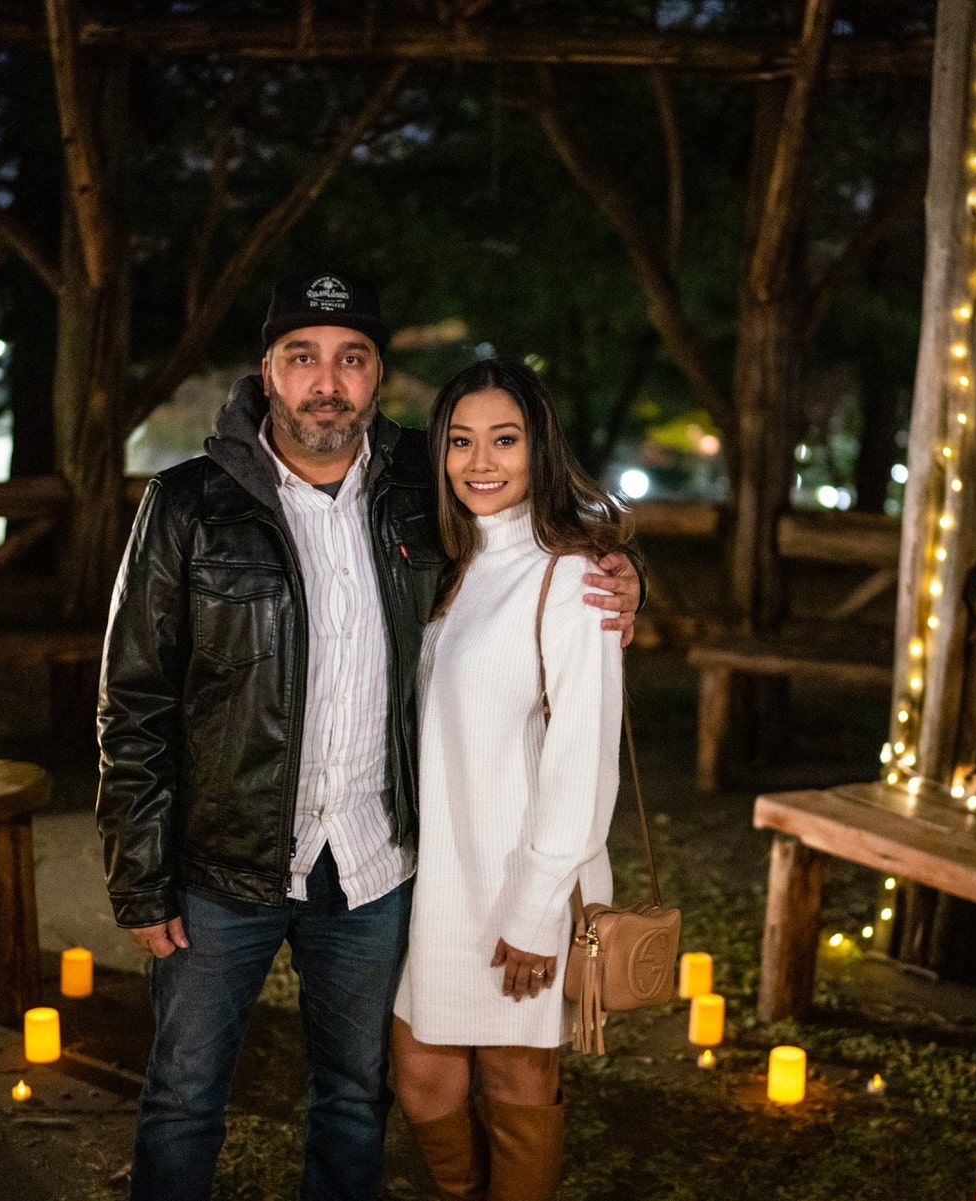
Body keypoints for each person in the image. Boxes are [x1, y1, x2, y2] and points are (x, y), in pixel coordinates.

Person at [95, 271, 640, 1201]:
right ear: (267, 373)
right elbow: (133, 698)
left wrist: (623, 577)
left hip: (375, 865)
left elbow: (532, 520)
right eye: (302, 357)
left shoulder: (412, 493)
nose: (326, 381)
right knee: (184, 1098)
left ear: (377, 377)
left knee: (354, 1097)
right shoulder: (186, 504)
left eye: (351, 359)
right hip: (222, 864)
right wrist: (138, 871)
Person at [391, 359, 628, 1201]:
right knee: (422, 1072)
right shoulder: (448, 566)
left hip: (519, 880)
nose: (480, 461)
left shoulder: (569, 577)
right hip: (439, 879)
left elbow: (584, 756)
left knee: (517, 1077)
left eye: (505, 439)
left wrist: (534, 913)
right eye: (461, 440)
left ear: (540, 450)